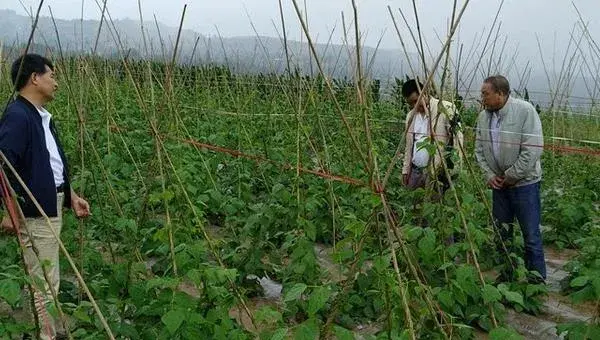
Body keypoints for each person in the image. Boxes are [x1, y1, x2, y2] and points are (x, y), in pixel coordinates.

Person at [0, 54, 90, 339]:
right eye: (52, 75)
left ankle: (39, 330)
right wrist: (10, 210)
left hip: (49, 203)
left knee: (42, 276)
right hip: (35, 210)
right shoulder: (18, 115)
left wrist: (70, 194)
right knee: (45, 280)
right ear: (35, 78)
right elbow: (3, 165)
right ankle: (45, 335)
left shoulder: (39, 117)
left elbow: (47, 164)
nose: (56, 83)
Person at [475, 75, 546, 282]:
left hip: (525, 184)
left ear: (501, 94)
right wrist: (490, 176)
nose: (482, 98)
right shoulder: (483, 117)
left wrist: (511, 176)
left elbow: (532, 151)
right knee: (502, 234)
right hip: (499, 186)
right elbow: (479, 150)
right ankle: (506, 276)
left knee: (530, 235)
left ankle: (536, 282)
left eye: (485, 94)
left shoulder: (524, 111)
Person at [401, 79, 463, 193]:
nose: (414, 106)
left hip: (438, 173)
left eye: (416, 101)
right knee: (413, 205)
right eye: (410, 103)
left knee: (435, 204)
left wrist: (453, 170)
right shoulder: (410, 116)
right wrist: (406, 169)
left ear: (424, 93)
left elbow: (458, 141)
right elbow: (408, 146)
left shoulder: (446, 109)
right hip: (415, 171)